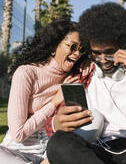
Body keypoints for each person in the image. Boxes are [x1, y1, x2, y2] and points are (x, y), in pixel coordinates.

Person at [45, 2, 126, 164]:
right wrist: (56, 123)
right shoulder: (81, 75)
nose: (102, 59)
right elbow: (53, 124)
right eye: (96, 53)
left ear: (121, 45)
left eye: (109, 52)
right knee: (58, 144)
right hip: (97, 152)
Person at [0, 19, 90, 164]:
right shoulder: (26, 73)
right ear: (54, 45)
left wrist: (91, 61)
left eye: (82, 49)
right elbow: (18, 134)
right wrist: (55, 102)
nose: (78, 53)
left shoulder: (74, 76)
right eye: (73, 46)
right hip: (16, 152)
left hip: (51, 152)